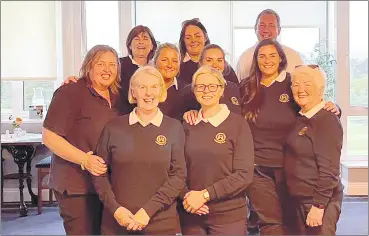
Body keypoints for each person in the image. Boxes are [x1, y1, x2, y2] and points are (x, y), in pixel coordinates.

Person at [239, 39, 340, 235]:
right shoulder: (246, 87)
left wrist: (335, 108)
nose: (267, 60)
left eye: (272, 55)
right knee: (270, 222)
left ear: (281, 59)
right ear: (256, 60)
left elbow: (313, 107)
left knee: (293, 222)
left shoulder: (291, 83)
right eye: (262, 56)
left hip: (289, 167)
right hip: (258, 169)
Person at [92, 65, 187, 235]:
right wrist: (116, 210)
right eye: (142, 87)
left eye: (153, 87)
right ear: (133, 92)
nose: (148, 93)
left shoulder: (174, 128)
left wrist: (147, 211)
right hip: (117, 222)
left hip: (161, 223)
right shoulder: (113, 127)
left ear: (161, 91)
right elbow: (99, 173)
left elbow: (178, 176)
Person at [42, 45, 121, 235]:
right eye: (100, 63)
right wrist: (85, 160)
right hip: (77, 187)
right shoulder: (70, 92)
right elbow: (49, 137)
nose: (107, 69)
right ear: (88, 66)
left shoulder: (119, 97)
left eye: (112, 64)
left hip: (108, 187)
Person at [178, 65, 254, 235]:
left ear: (222, 90)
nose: (206, 91)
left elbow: (244, 174)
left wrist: (204, 195)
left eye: (212, 86)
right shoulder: (186, 126)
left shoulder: (238, 124)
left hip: (228, 216)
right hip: (192, 215)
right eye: (201, 86)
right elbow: (176, 169)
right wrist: (187, 196)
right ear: (194, 91)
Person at [285, 65, 344, 235]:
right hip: (300, 200)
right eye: (296, 84)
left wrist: (318, 206)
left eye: (307, 84)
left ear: (320, 88)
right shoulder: (302, 116)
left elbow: (329, 169)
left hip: (319, 202)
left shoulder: (327, 120)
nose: (300, 89)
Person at [62, 25, 157, 115]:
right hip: (120, 118)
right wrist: (75, 79)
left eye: (145, 38)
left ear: (152, 45)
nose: (141, 42)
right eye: (136, 39)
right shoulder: (117, 64)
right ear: (129, 45)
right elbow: (97, 78)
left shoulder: (156, 69)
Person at [179, 44, 241, 122]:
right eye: (209, 60)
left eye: (219, 60)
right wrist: (188, 114)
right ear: (200, 63)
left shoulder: (233, 88)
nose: (215, 65)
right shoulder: (188, 91)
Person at [236, 9, 304, 81]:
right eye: (262, 25)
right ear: (255, 28)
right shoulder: (245, 57)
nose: (266, 30)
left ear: (279, 30)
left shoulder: (294, 56)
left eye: (271, 25)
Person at [178, 18, 239, 85]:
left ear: (205, 37)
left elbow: (235, 91)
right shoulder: (177, 67)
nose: (193, 40)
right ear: (183, 41)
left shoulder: (223, 67)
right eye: (188, 38)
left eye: (197, 36)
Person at [152, 42, 185, 118]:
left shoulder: (186, 90)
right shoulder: (145, 88)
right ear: (155, 62)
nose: (170, 65)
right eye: (164, 60)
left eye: (174, 61)